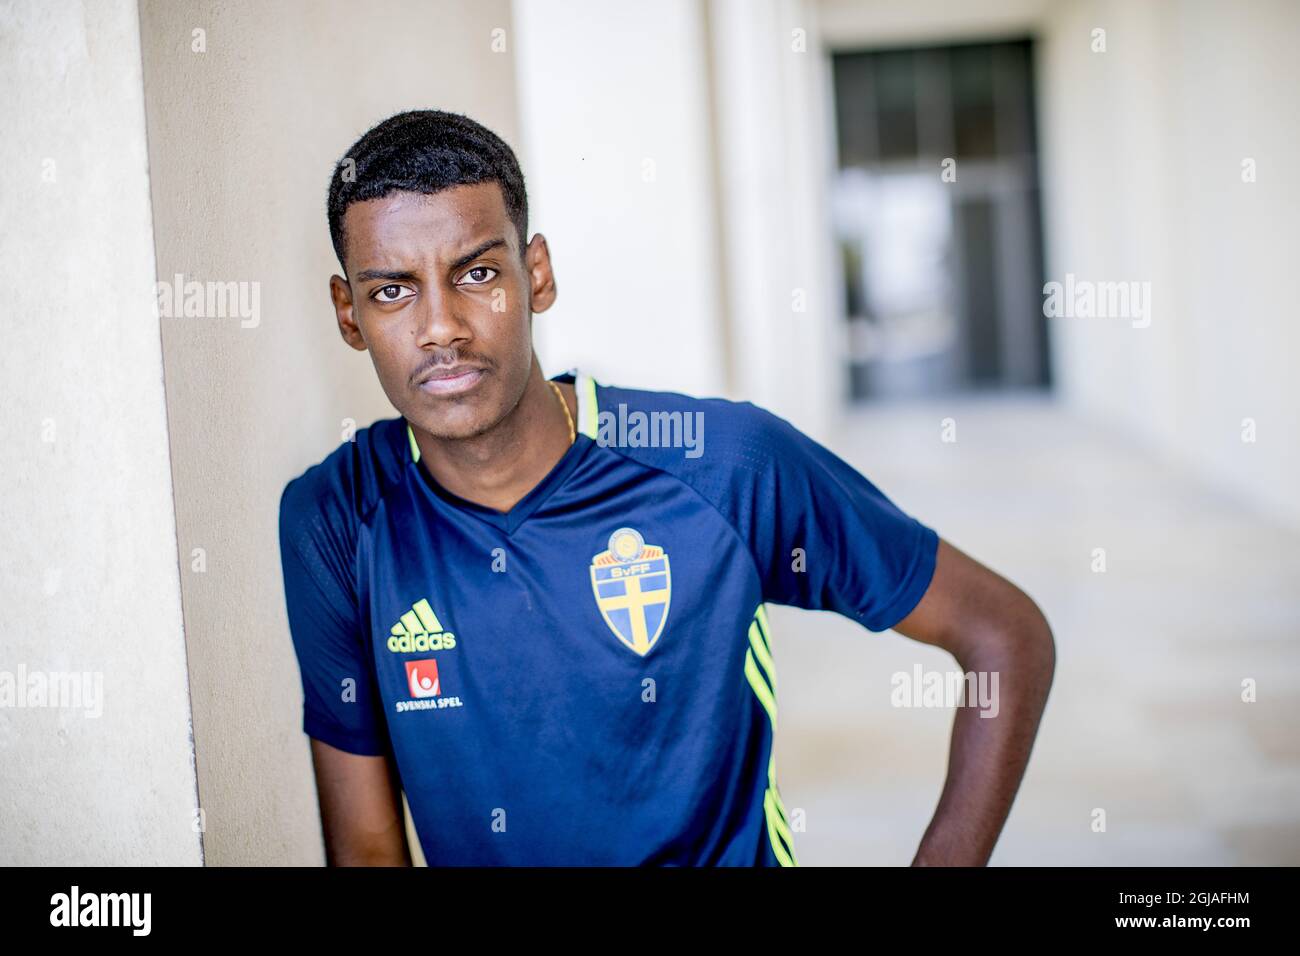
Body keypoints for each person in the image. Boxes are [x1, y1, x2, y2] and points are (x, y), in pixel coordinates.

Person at [277, 109, 1056, 866]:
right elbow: (368, 845)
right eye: (392, 291)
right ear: (349, 315)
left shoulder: (722, 468)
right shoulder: (336, 522)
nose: (441, 327)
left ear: (537, 274)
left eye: (477, 273)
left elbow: (1004, 635)